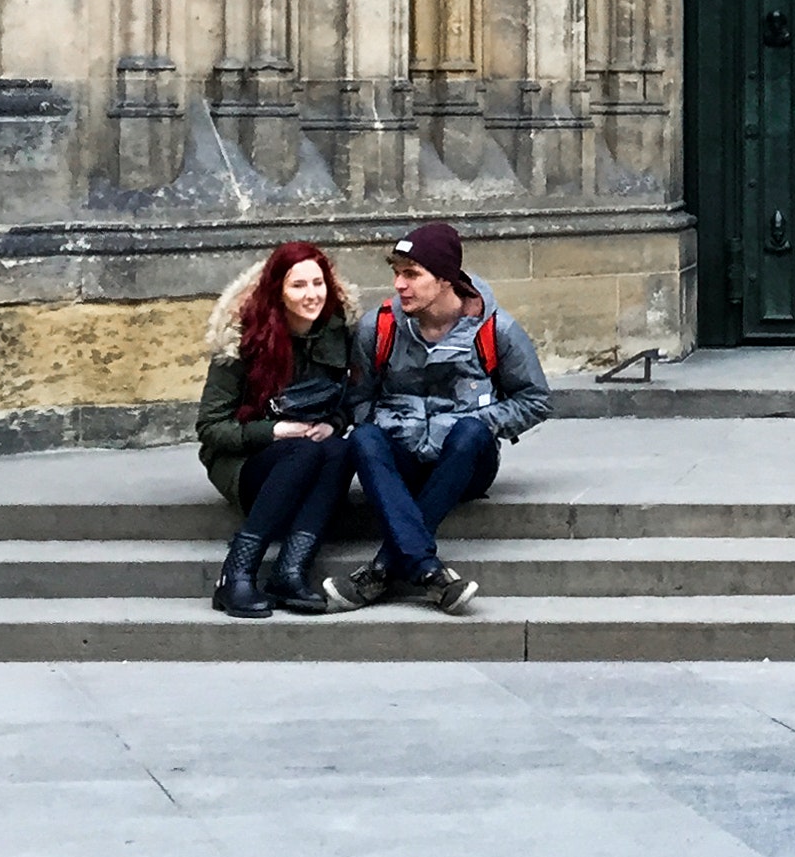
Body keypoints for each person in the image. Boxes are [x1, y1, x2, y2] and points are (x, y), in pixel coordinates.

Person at [339, 221, 551, 613]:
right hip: (402, 458)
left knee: (471, 431)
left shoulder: (496, 329)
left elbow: (536, 399)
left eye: (412, 274)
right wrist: (386, 425)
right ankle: (426, 570)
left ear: (445, 279)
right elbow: (357, 399)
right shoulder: (379, 327)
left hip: (465, 463)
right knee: (363, 439)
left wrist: (486, 421)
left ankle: (385, 565)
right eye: (397, 274)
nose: (400, 285)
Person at [194, 240, 363, 619]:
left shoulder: (341, 332)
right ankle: (235, 574)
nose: (311, 295)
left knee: (339, 449)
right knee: (303, 451)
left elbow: (354, 397)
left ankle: (290, 571)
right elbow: (210, 427)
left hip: (311, 452)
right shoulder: (241, 338)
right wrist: (275, 431)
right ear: (278, 290)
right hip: (246, 463)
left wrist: (332, 424)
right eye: (298, 285)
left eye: (318, 283)